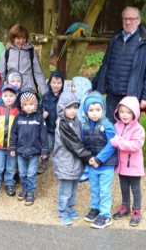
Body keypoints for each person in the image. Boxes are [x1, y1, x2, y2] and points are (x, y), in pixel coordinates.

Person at [91, 7, 146, 123]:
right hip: (112, 94)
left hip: (131, 95)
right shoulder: (115, 38)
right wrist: (93, 85)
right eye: (125, 19)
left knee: (128, 132)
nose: (128, 22)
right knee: (110, 128)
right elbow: (105, 65)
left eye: (131, 19)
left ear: (139, 20)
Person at [52, 92, 93, 226]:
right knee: (65, 189)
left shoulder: (76, 122)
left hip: (75, 162)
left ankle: (70, 207)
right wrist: (89, 157)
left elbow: (83, 139)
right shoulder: (62, 124)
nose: (73, 111)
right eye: (69, 108)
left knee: (74, 187)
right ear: (62, 108)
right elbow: (74, 144)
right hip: (65, 161)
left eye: (75, 107)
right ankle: (62, 211)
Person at [82, 92, 117, 229]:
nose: (94, 113)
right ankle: (95, 208)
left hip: (106, 165)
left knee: (104, 191)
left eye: (98, 110)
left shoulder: (107, 125)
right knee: (94, 189)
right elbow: (84, 144)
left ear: (103, 110)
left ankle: (105, 215)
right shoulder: (85, 126)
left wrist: (98, 159)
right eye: (91, 110)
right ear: (86, 111)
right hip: (92, 164)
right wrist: (89, 158)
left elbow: (111, 144)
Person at [110, 96, 145, 227]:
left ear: (135, 113)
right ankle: (125, 207)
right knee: (124, 187)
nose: (124, 115)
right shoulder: (116, 126)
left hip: (134, 166)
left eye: (128, 112)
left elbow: (135, 146)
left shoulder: (138, 129)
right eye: (122, 111)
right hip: (121, 165)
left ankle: (136, 210)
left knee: (135, 189)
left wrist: (118, 142)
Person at [10, 92, 49, 206]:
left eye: (31, 104)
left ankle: (31, 192)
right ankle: (25, 189)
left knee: (31, 173)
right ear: (22, 106)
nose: (28, 107)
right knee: (22, 173)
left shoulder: (39, 118)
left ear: (35, 105)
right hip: (21, 150)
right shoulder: (18, 118)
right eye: (25, 104)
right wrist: (12, 147)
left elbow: (44, 135)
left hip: (34, 151)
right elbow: (13, 133)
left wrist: (44, 150)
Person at [0, 24, 48, 96]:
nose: (21, 41)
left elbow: (38, 73)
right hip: (11, 92)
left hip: (29, 90)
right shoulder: (6, 53)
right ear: (13, 39)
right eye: (18, 38)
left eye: (23, 38)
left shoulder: (32, 52)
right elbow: (0, 75)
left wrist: (46, 94)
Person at [0, 84, 19, 198]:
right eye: (5, 95)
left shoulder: (17, 111)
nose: (8, 98)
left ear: (15, 97)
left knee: (11, 167)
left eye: (11, 96)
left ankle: (9, 183)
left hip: (12, 146)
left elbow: (19, 129)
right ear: (1, 96)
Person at [38, 70, 65, 174]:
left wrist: (62, 117)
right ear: (49, 83)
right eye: (54, 82)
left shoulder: (64, 96)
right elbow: (41, 107)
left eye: (59, 83)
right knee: (48, 146)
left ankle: (60, 164)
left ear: (62, 84)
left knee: (60, 147)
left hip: (61, 127)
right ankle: (44, 162)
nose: (56, 85)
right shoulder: (46, 96)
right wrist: (43, 112)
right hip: (48, 126)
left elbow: (69, 109)